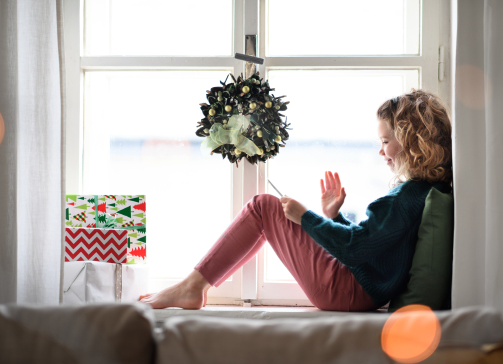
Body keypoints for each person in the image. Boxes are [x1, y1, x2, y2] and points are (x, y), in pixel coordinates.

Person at [139, 89, 453, 311]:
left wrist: (306, 216)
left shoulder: (404, 197)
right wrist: (335, 217)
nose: (380, 151)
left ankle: (193, 287)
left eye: (385, 141)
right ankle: (193, 285)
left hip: (348, 290)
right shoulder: (420, 191)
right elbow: (372, 245)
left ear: (412, 142)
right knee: (269, 207)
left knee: (263, 207)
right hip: (358, 288)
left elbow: (356, 248)